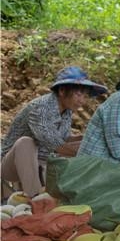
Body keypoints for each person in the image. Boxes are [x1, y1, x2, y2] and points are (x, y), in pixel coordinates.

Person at [1, 66, 107, 199]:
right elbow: (55, 145)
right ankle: (35, 198)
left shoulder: (66, 110)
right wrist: (89, 151)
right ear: (62, 91)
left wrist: (87, 139)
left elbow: (64, 139)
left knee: (85, 142)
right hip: (12, 165)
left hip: (43, 161)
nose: (82, 101)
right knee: (26, 142)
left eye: (85, 96)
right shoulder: (41, 108)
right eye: (78, 94)